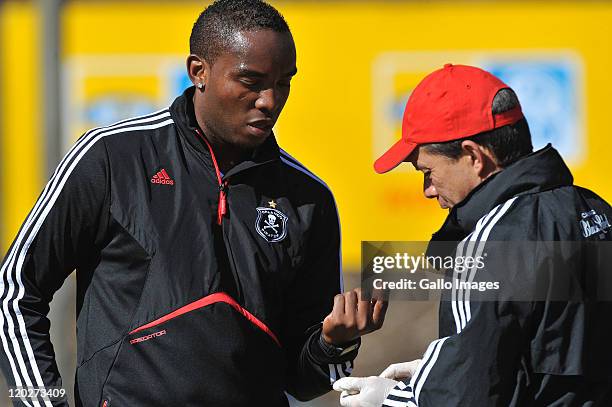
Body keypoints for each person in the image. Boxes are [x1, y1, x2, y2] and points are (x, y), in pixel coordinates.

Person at [0, 1, 387, 405]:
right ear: (198, 71)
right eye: (251, 81)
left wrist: (333, 343)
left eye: (283, 82)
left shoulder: (309, 199)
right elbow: (13, 292)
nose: (270, 101)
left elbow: (304, 381)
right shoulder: (113, 157)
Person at [333, 64, 612, 406]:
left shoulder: (490, 242)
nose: (427, 190)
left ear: (473, 156)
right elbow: (544, 352)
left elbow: (466, 396)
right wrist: (438, 371)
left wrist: (396, 400)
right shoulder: (595, 210)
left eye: (427, 171)